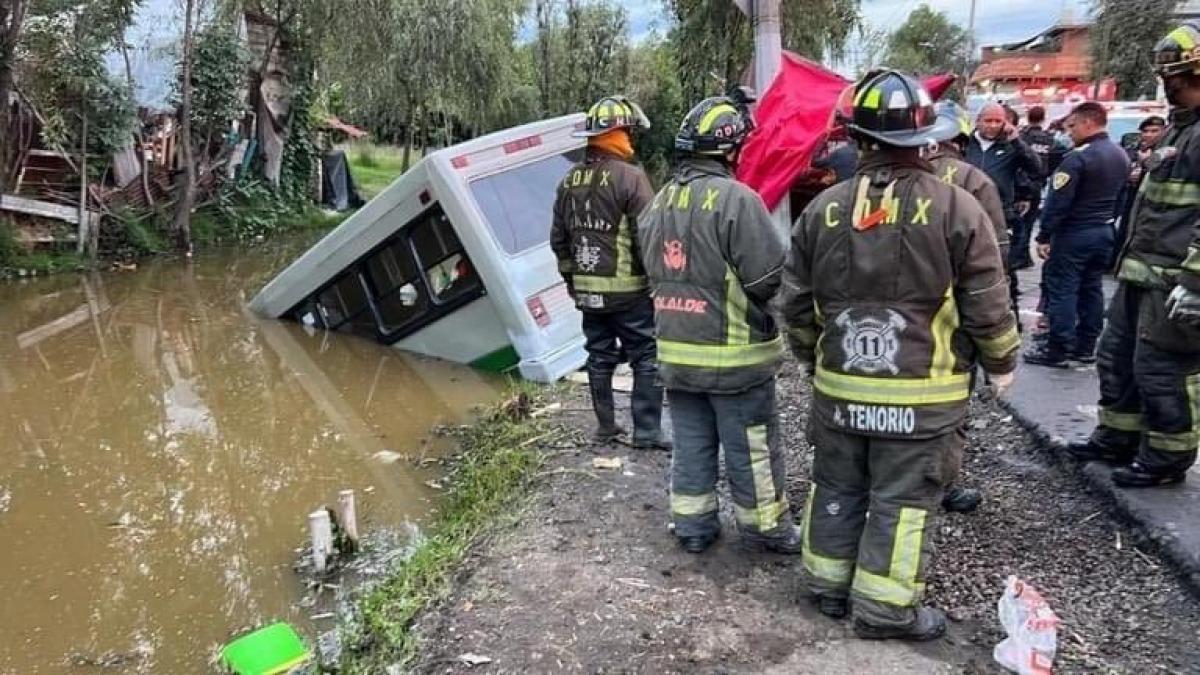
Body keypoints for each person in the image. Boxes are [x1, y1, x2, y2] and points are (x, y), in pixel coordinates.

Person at [780, 70, 1019, 640]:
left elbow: (794, 304)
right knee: (902, 502)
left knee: (834, 487)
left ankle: (826, 588)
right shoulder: (958, 207)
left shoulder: (823, 210)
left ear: (856, 138)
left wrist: (817, 362)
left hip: (840, 393)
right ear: (925, 136)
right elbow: (988, 302)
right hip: (921, 401)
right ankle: (885, 611)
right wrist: (1003, 362)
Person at [638, 94, 800, 555]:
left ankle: (693, 527)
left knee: (691, 443)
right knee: (752, 448)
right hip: (734, 358)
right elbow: (770, 278)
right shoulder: (737, 201)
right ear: (731, 149)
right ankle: (766, 529)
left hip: (675, 354)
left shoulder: (659, 202)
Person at [1068, 23, 1200, 487]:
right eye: (1170, 78)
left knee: (1162, 368)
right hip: (1142, 273)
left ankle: (1166, 458)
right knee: (1116, 356)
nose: (1170, 87)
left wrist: (1194, 283)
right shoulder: (1177, 132)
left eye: (1180, 79)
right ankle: (1117, 437)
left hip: (1175, 281)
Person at [550, 95, 669, 450]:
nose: (631, 140)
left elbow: (559, 240)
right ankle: (646, 431)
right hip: (630, 292)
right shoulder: (630, 177)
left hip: (588, 293)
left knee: (599, 355)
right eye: (627, 132)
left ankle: (606, 428)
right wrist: (658, 283)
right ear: (615, 133)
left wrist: (573, 284)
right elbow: (649, 234)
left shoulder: (568, 181)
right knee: (646, 355)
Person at [921, 100, 1011, 514]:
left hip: (892, 316)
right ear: (959, 139)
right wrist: (999, 348)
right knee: (950, 406)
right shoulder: (974, 181)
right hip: (953, 319)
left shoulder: (883, 182)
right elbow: (993, 263)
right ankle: (940, 484)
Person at [1024, 103, 1130, 368]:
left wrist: (1044, 235)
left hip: (1075, 233)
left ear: (1088, 123)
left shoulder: (1077, 158)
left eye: (1072, 127)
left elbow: (1058, 202)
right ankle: (1085, 346)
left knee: (1063, 290)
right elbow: (1122, 198)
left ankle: (1058, 348)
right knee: (1091, 289)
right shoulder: (1120, 155)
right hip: (1104, 230)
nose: (1069, 133)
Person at [966, 103, 1045, 324]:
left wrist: (1017, 142)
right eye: (988, 120)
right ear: (978, 121)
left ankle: (1010, 319)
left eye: (998, 121)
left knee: (1004, 271)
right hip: (965, 216)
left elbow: (1037, 169)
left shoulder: (1012, 147)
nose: (992, 126)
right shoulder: (964, 145)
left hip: (998, 218)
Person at [1012, 106, 1060, 270]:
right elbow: (1055, 162)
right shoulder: (1050, 139)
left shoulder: (1022, 137)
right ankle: (1023, 255)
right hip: (1037, 185)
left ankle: (1018, 255)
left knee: (1018, 223)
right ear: (1043, 118)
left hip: (1019, 185)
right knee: (1028, 223)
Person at [1116, 115, 1167, 258]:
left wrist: (1146, 165)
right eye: (1145, 131)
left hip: (1152, 203)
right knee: (1125, 229)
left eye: (1154, 131)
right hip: (1130, 198)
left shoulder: (1165, 152)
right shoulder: (1132, 149)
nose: (1149, 135)